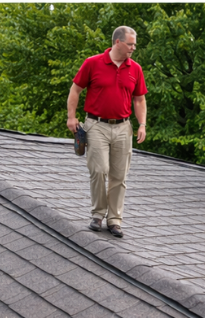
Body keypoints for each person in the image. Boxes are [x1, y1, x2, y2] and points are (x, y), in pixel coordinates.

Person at [66, 26, 148, 239]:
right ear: (117, 42)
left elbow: (139, 99)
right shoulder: (93, 63)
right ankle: (98, 214)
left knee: (119, 176)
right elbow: (75, 89)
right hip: (96, 125)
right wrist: (71, 117)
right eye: (130, 44)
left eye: (134, 44)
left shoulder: (135, 69)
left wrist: (142, 124)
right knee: (99, 170)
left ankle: (114, 220)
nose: (133, 48)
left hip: (123, 127)